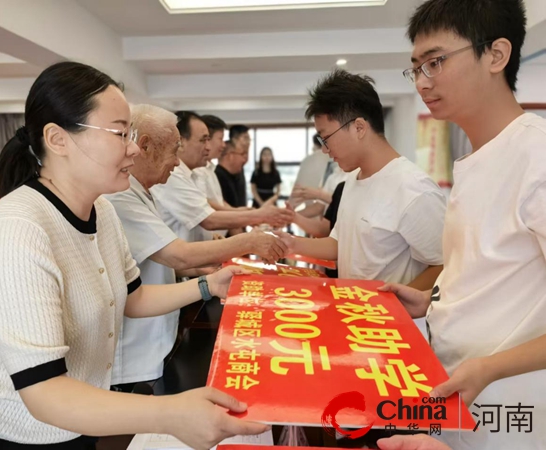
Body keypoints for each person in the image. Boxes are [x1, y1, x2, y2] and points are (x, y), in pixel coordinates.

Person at [0, 61, 268, 450]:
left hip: (78, 426)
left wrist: (207, 285)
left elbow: (133, 297)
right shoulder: (18, 228)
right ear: (58, 139)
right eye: (119, 133)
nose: (134, 147)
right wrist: (171, 414)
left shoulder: (104, 212)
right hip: (11, 438)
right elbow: (45, 394)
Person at [381, 1, 546, 449]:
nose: (422, 81)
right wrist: (430, 300)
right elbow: (494, 270)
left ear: (496, 55)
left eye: (436, 62)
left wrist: (491, 367)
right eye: (415, 68)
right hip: (455, 392)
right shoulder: (476, 159)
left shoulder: (536, 157)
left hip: (513, 407)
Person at [105, 104, 288, 391]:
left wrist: (202, 271)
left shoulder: (144, 191)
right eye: (173, 150)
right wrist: (250, 240)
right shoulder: (121, 196)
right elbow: (176, 252)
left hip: (160, 331)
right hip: (137, 351)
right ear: (145, 147)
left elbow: (155, 259)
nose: (176, 162)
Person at [280, 70, 446, 292]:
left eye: (326, 138)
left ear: (359, 127)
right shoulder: (352, 180)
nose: (325, 149)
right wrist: (290, 243)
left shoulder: (413, 188)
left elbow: (444, 265)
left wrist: (391, 304)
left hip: (390, 324)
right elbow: (341, 244)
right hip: (355, 318)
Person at [150, 112, 293, 243]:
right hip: (183, 263)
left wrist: (248, 214)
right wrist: (258, 216)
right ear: (180, 143)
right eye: (203, 140)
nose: (208, 147)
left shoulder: (191, 172)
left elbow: (209, 205)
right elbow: (209, 219)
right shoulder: (173, 175)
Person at [228, 125, 251, 207]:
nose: (248, 142)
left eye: (249, 139)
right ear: (234, 140)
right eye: (245, 138)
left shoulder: (240, 168)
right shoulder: (226, 170)